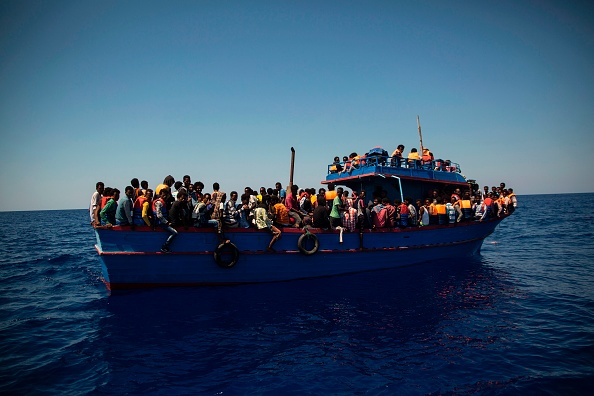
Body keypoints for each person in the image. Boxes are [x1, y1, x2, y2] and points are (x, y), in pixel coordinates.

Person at [153, 187, 177, 253]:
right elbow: (159, 215)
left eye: (166, 195)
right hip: (160, 222)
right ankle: (165, 246)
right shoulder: (159, 203)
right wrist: (166, 222)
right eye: (163, 195)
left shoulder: (164, 202)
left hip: (162, 221)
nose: (165, 196)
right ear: (160, 195)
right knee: (174, 232)